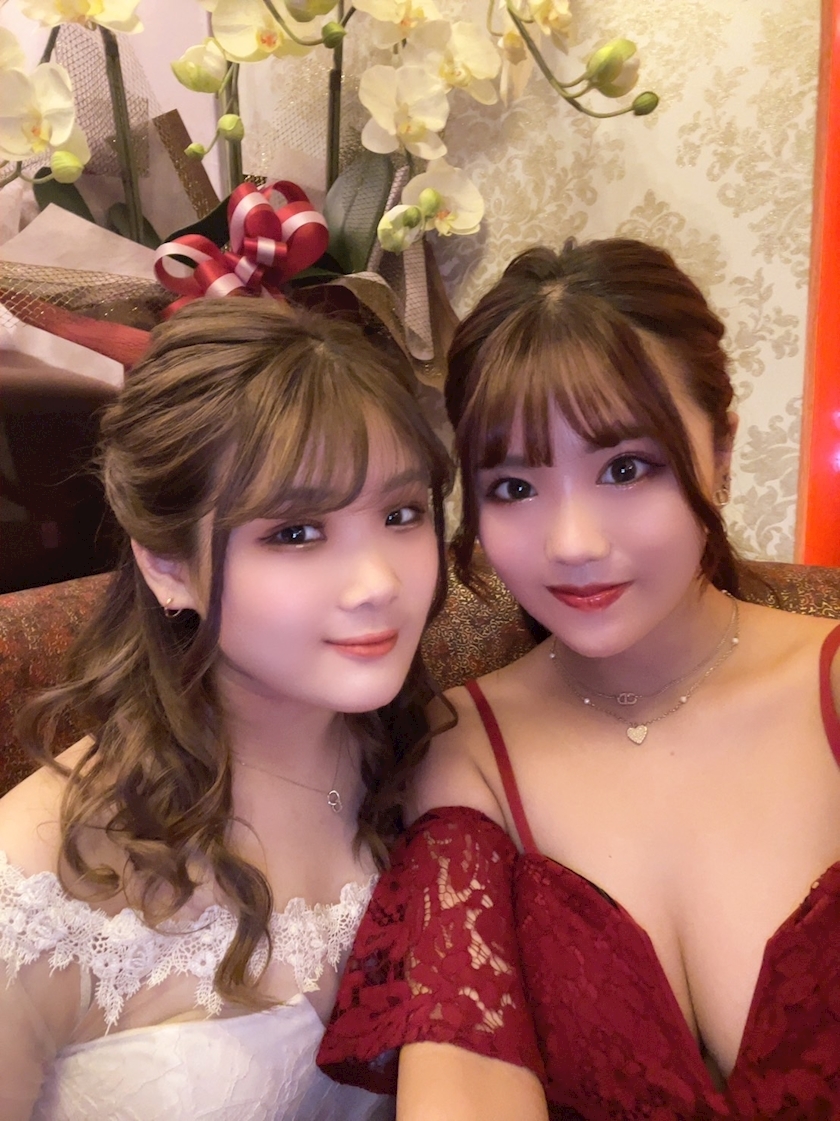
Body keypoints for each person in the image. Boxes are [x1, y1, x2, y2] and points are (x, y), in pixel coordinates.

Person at [318, 239, 840, 1119]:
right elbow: (464, 1083)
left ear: (721, 450)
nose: (572, 543)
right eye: (514, 487)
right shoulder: (464, 747)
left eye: (625, 468)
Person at [0, 298, 452, 1121]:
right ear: (167, 564)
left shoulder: (437, 764)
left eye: (401, 514)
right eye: (296, 532)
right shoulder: (36, 880)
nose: (379, 583)